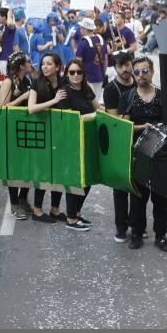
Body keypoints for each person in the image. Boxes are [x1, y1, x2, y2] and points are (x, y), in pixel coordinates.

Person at [118, 57, 167, 252]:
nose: (141, 75)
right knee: (138, 198)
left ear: (152, 72)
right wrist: (144, 127)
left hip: (161, 155)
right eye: (137, 72)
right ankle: (137, 234)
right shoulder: (128, 97)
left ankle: (161, 235)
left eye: (145, 71)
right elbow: (123, 127)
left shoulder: (164, 96)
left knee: (161, 198)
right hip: (138, 155)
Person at [55, 58, 99, 231]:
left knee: (87, 180)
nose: (75, 75)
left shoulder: (86, 89)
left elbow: (99, 109)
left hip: (88, 140)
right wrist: (92, 117)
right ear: (67, 74)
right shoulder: (64, 91)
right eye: (71, 72)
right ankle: (71, 218)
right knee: (75, 181)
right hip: (71, 143)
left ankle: (77, 213)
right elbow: (68, 120)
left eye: (78, 72)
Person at [27, 52, 67, 223]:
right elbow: (31, 108)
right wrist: (54, 101)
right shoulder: (37, 83)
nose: (45, 67)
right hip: (42, 132)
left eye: (49, 64)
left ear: (57, 67)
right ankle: (37, 210)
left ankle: (55, 209)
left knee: (59, 171)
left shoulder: (65, 82)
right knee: (42, 171)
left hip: (61, 133)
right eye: (43, 64)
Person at [103, 51, 136, 242]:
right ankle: (121, 227)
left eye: (128, 64)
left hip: (140, 141)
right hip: (120, 143)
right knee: (121, 188)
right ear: (115, 68)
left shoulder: (139, 82)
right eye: (121, 66)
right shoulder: (111, 89)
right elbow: (115, 121)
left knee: (138, 186)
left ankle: (136, 223)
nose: (125, 69)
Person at [0, 52, 33, 219]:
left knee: (29, 165)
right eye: (28, 62)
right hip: (11, 128)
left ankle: (23, 197)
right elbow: (3, 106)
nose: (30, 63)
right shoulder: (8, 82)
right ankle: (14, 203)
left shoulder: (26, 80)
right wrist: (23, 98)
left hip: (26, 126)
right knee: (14, 167)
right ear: (20, 66)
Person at [75, 17, 107, 98]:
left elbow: (78, 63)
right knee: (97, 99)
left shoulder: (83, 43)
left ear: (85, 29)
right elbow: (106, 59)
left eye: (81, 28)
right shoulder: (101, 39)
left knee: (88, 100)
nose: (80, 29)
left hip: (87, 78)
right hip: (100, 75)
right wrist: (103, 72)